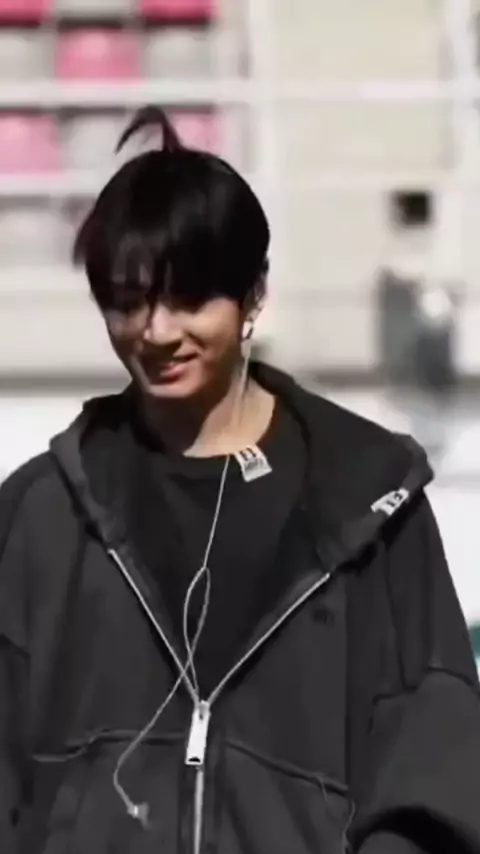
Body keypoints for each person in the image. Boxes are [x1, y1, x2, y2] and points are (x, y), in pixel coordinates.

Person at [1, 106, 480, 854]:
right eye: (128, 301)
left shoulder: (372, 505)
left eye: (189, 299)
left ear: (253, 295)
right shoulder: (41, 513)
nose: (156, 332)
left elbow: (434, 763)